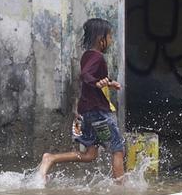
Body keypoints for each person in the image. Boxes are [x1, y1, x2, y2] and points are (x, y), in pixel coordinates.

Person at [38, 18, 125, 182]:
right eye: (110, 36)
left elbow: (91, 76)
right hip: (99, 113)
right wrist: (96, 82)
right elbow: (85, 75)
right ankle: (122, 190)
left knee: (90, 154)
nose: (112, 40)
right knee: (117, 150)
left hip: (86, 113)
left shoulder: (87, 55)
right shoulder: (98, 57)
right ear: (101, 39)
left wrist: (108, 82)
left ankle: (51, 158)